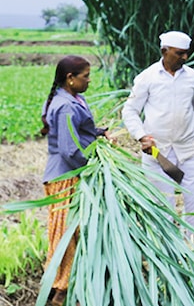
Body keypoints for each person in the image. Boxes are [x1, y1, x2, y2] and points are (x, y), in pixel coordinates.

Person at [121, 30, 194, 238]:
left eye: (186, 53)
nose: (184, 57)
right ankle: (166, 254)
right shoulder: (147, 78)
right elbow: (130, 111)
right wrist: (141, 136)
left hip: (190, 150)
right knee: (161, 206)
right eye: (179, 53)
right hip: (158, 153)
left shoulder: (193, 78)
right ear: (164, 51)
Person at [41, 55, 108, 306]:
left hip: (68, 174)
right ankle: (60, 289)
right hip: (65, 176)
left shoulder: (72, 98)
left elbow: (78, 131)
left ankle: (62, 284)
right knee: (66, 233)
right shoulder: (66, 105)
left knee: (72, 231)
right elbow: (70, 150)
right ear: (71, 79)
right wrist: (93, 167)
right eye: (86, 76)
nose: (89, 80)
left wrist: (100, 133)